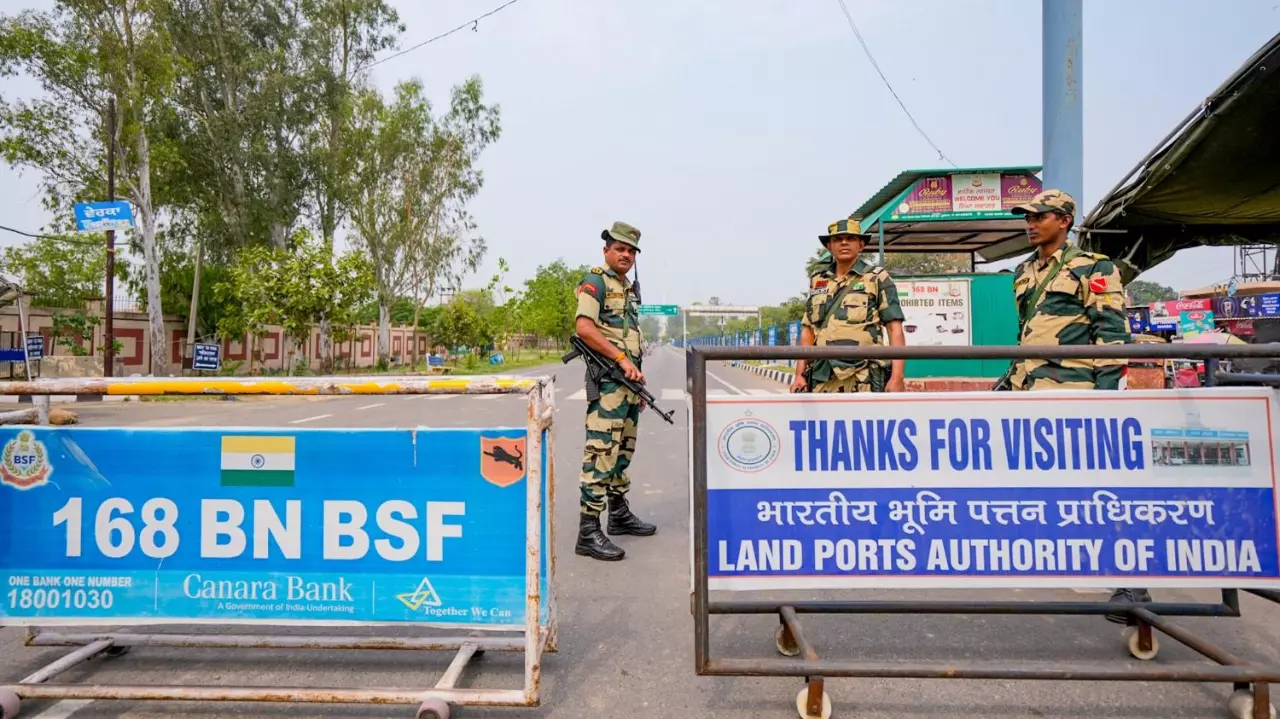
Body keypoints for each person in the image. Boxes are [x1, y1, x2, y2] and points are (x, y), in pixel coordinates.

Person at [1007, 188, 1141, 623]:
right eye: (1028, 217)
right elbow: (1028, 333)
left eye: (1040, 216)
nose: (1031, 224)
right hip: (1032, 389)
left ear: (1064, 220)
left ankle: (1133, 583)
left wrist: (1106, 398)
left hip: (1077, 391)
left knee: (1099, 485)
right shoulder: (1024, 271)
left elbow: (1112, 335)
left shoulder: (1094, 267)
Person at [572, 221, 657, 562]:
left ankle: (618, 514)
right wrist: (621, 360)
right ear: (606, 250)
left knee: (622, 451)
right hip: (609, 382)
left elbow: (628, 336)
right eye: (619, 249)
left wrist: (637, 382)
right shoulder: (596, 282)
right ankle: (588, 531)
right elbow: (584, 328)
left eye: (631, 251)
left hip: (627, 384)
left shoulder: (628, 288)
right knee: (601, 452)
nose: (626, 255)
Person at [791, 218, 907, 394]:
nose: (844, 243)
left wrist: (897, 377)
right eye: (838, 239)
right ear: (829, 247)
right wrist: (799, 374)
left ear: (861, 245)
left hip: (863, 377)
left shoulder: (877, 278)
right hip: (823, 377)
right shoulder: (818, 280)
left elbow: (894, 329)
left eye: (850, 238)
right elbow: (808, 329)